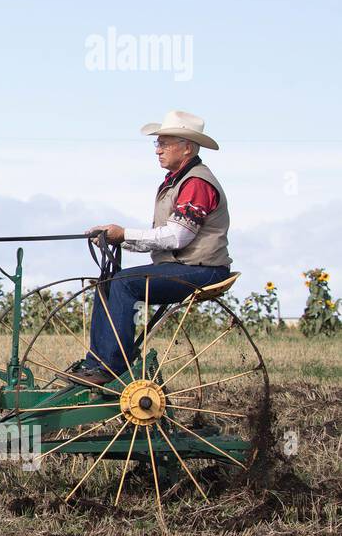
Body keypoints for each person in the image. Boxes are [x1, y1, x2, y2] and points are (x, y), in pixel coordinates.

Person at [76, 110, 232, 385]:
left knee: (125, 283)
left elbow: (178, 237)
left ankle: (111, 367)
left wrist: (124, 235)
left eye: (164, 143)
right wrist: (118, 237)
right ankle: (96, 364)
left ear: (187, 148)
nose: (157, 150)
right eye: (156, 144)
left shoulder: (196, 183)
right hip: (180, 266)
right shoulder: (177, 181)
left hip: (205, 269)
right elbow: (164, 238)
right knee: (109, 281)